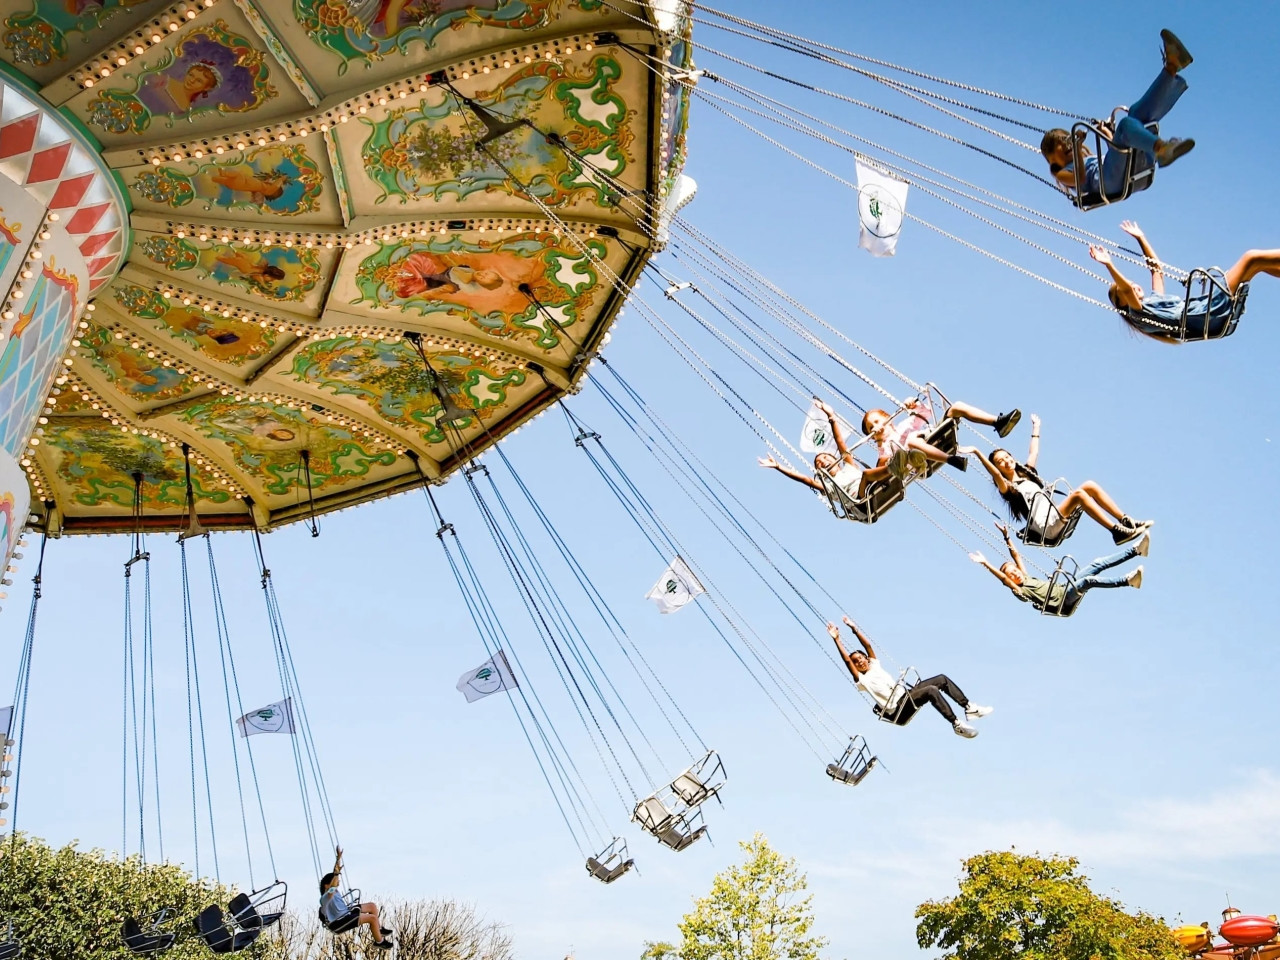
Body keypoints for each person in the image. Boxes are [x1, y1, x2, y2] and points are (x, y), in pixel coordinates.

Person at [1040, 29, 1195, 201]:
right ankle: (1161, 149)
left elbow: (1117, 153)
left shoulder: (1091, 159)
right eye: (1061, 145)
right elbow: (1081, 178)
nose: (1067, 144)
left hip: (1127, 170)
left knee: (1135, 113)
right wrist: (1077, 148)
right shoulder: (1061, 174)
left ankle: (1172, 66)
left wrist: (1106, 133)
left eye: (1067, 139)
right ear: (1053, 159)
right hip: (1110, 183)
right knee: (1125, 124)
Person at [963, 414, 1151, 545]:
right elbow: (996, 476)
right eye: (1000, 462)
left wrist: (1036, 427)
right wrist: (977, 452)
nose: (1006, 461)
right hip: (1046, 526)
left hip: (1055, 515)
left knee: (1089, 485)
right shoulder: (1008, 489)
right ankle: (1115, 531)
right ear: (998, 468)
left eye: (1007, 456)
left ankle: (1125, 520)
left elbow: (1033, 452)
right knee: (1078, 495)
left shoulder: (1028, 475)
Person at [1091, 221, 1280, 341]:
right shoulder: (1137, 314)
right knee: (1251, 258)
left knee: (1258, 264)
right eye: (1125, 291)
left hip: (1205, 308)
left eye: (1132, 283)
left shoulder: (1153, 303)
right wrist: (1109, 265)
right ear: (1122, 303)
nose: (1133, 285)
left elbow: (1157, 270)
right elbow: (1126, 290)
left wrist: (1141, 238)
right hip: (1206, 313)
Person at [827, 616, 991, 738]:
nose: (860, 662)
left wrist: (853, 628)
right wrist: (837, 640)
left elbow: (868, 645)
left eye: (862, 658)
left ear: (867, 659)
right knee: (931, 691)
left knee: (941, 679)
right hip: (898, 708)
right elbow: (847, 661)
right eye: (857, 662)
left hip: (905, 696)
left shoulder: (874, 665)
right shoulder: (862, 680)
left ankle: (969, 707)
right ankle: (956, 724)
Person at [970, 522, 1147, 615]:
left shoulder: (1025, 576)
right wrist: (986, 563)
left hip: (1065, 588)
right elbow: (1005, 580)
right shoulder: (1021, 591)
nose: (1015, 573)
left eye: (1014, 570)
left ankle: (1136, 551)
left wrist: (1007, 537)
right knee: (1088, 581)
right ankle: (1128, 581)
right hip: (1062, 601)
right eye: (1011, 574)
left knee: (1097, 563)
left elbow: (1017, 556)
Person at [860, 398, 1020, 481]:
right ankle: (952, 460)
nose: (875, 426)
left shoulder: (904, 424)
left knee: (956, 407)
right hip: (918, 463)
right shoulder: (884, 448)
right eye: (870, 428)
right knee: (911, 440)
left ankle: (998, 422)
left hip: (934, 438)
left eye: (876, 421)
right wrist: (881, 443)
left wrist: (913, 405)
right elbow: (884, 464)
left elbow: (926, 413)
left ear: (887, 418)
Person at [759, 399, 869, 502]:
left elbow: (839, 441)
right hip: (861, 502)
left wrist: (831, 417)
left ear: (837, 461)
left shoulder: (849, 466)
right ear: (820, 473)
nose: (822, 461)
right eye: (818, 463)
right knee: (867, 475)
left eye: (826, 457)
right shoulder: (828, 486)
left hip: (874, 487)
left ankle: (885, 471)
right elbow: (805, 479)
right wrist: (778, 466)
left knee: (874, 471)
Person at [319, 847, 393, 949]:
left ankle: (378, 930)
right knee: (372, 918)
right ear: (326, 886)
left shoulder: (334, 891)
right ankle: (379, 942)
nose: (337, 883)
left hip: (346, 913)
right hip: (339, 922)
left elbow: (334, 877)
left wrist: (338, 859)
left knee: (372, 906)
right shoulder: (325, 897)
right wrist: (336, 874)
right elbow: (333, 884)